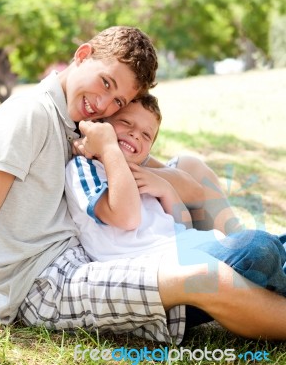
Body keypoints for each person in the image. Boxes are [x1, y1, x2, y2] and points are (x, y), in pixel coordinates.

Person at [0, 26, 286, 359]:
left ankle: (262, 258)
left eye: (119, 102)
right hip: (42, 285)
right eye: (106, 83)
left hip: (89, 258)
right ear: (83, 54)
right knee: (204, 275)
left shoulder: (82, 121)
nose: (105, 104)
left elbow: (184, 179)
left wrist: (165, 181)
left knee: (195, 172)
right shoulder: (27, 115)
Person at [65, 94, 286, 299]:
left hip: (194, 247)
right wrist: (108, 147)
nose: (135, 134)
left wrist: (165, 189)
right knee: (261, 247)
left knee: (273, 245)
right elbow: (128, 218)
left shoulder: (140, 174)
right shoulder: (86, 168)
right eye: (126, 123)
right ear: (101, 127)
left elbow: (182, 228)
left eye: (146, 135)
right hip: (166, 266)